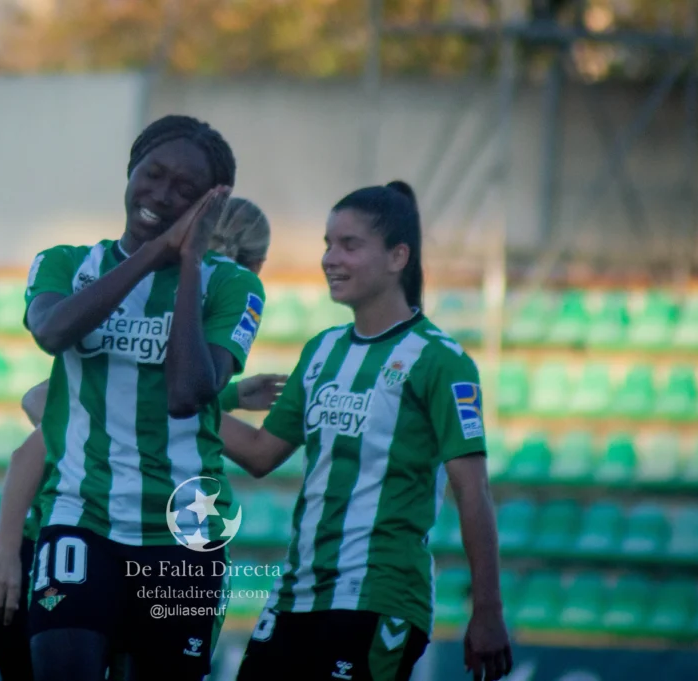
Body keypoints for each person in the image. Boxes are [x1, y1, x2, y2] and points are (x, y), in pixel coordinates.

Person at [0, 195, 285, 681]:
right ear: (255, 267)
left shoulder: (143, 371)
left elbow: (38, 406)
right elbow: (254, 451)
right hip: (108, 547)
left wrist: (220, 398)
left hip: (75, 548)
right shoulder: (176, 357)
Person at [216, 182, 513, 681]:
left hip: (382, 598)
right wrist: (169, 403)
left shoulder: (441, 360)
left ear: (399, 257)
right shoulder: (321, 350)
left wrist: (488, 610)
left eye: (349, 245)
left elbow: (473, 489)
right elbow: (261, 453)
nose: (330, 258)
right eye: (328, 244)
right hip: (296, 594)